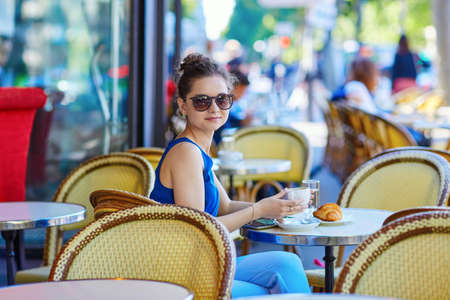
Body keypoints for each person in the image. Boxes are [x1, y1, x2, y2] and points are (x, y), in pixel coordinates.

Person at [150, 53, 311, 297]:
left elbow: (224, 206)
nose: (215, 108)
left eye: (223, 99)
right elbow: (199, 229)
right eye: (202, 101)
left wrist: (276, 208)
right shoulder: (186, 152)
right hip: (183, 274)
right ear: (183, 105)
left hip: (203, 264)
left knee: (288, 264)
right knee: (274, 287)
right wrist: (258, 211)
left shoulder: (198, 149)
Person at [213, 69, 252, 145]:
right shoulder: (221, 106)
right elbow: (225, 133)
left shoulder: (230, 106)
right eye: (241, 91)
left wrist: (242, 122)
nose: (242, 95)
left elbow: (233, 120)